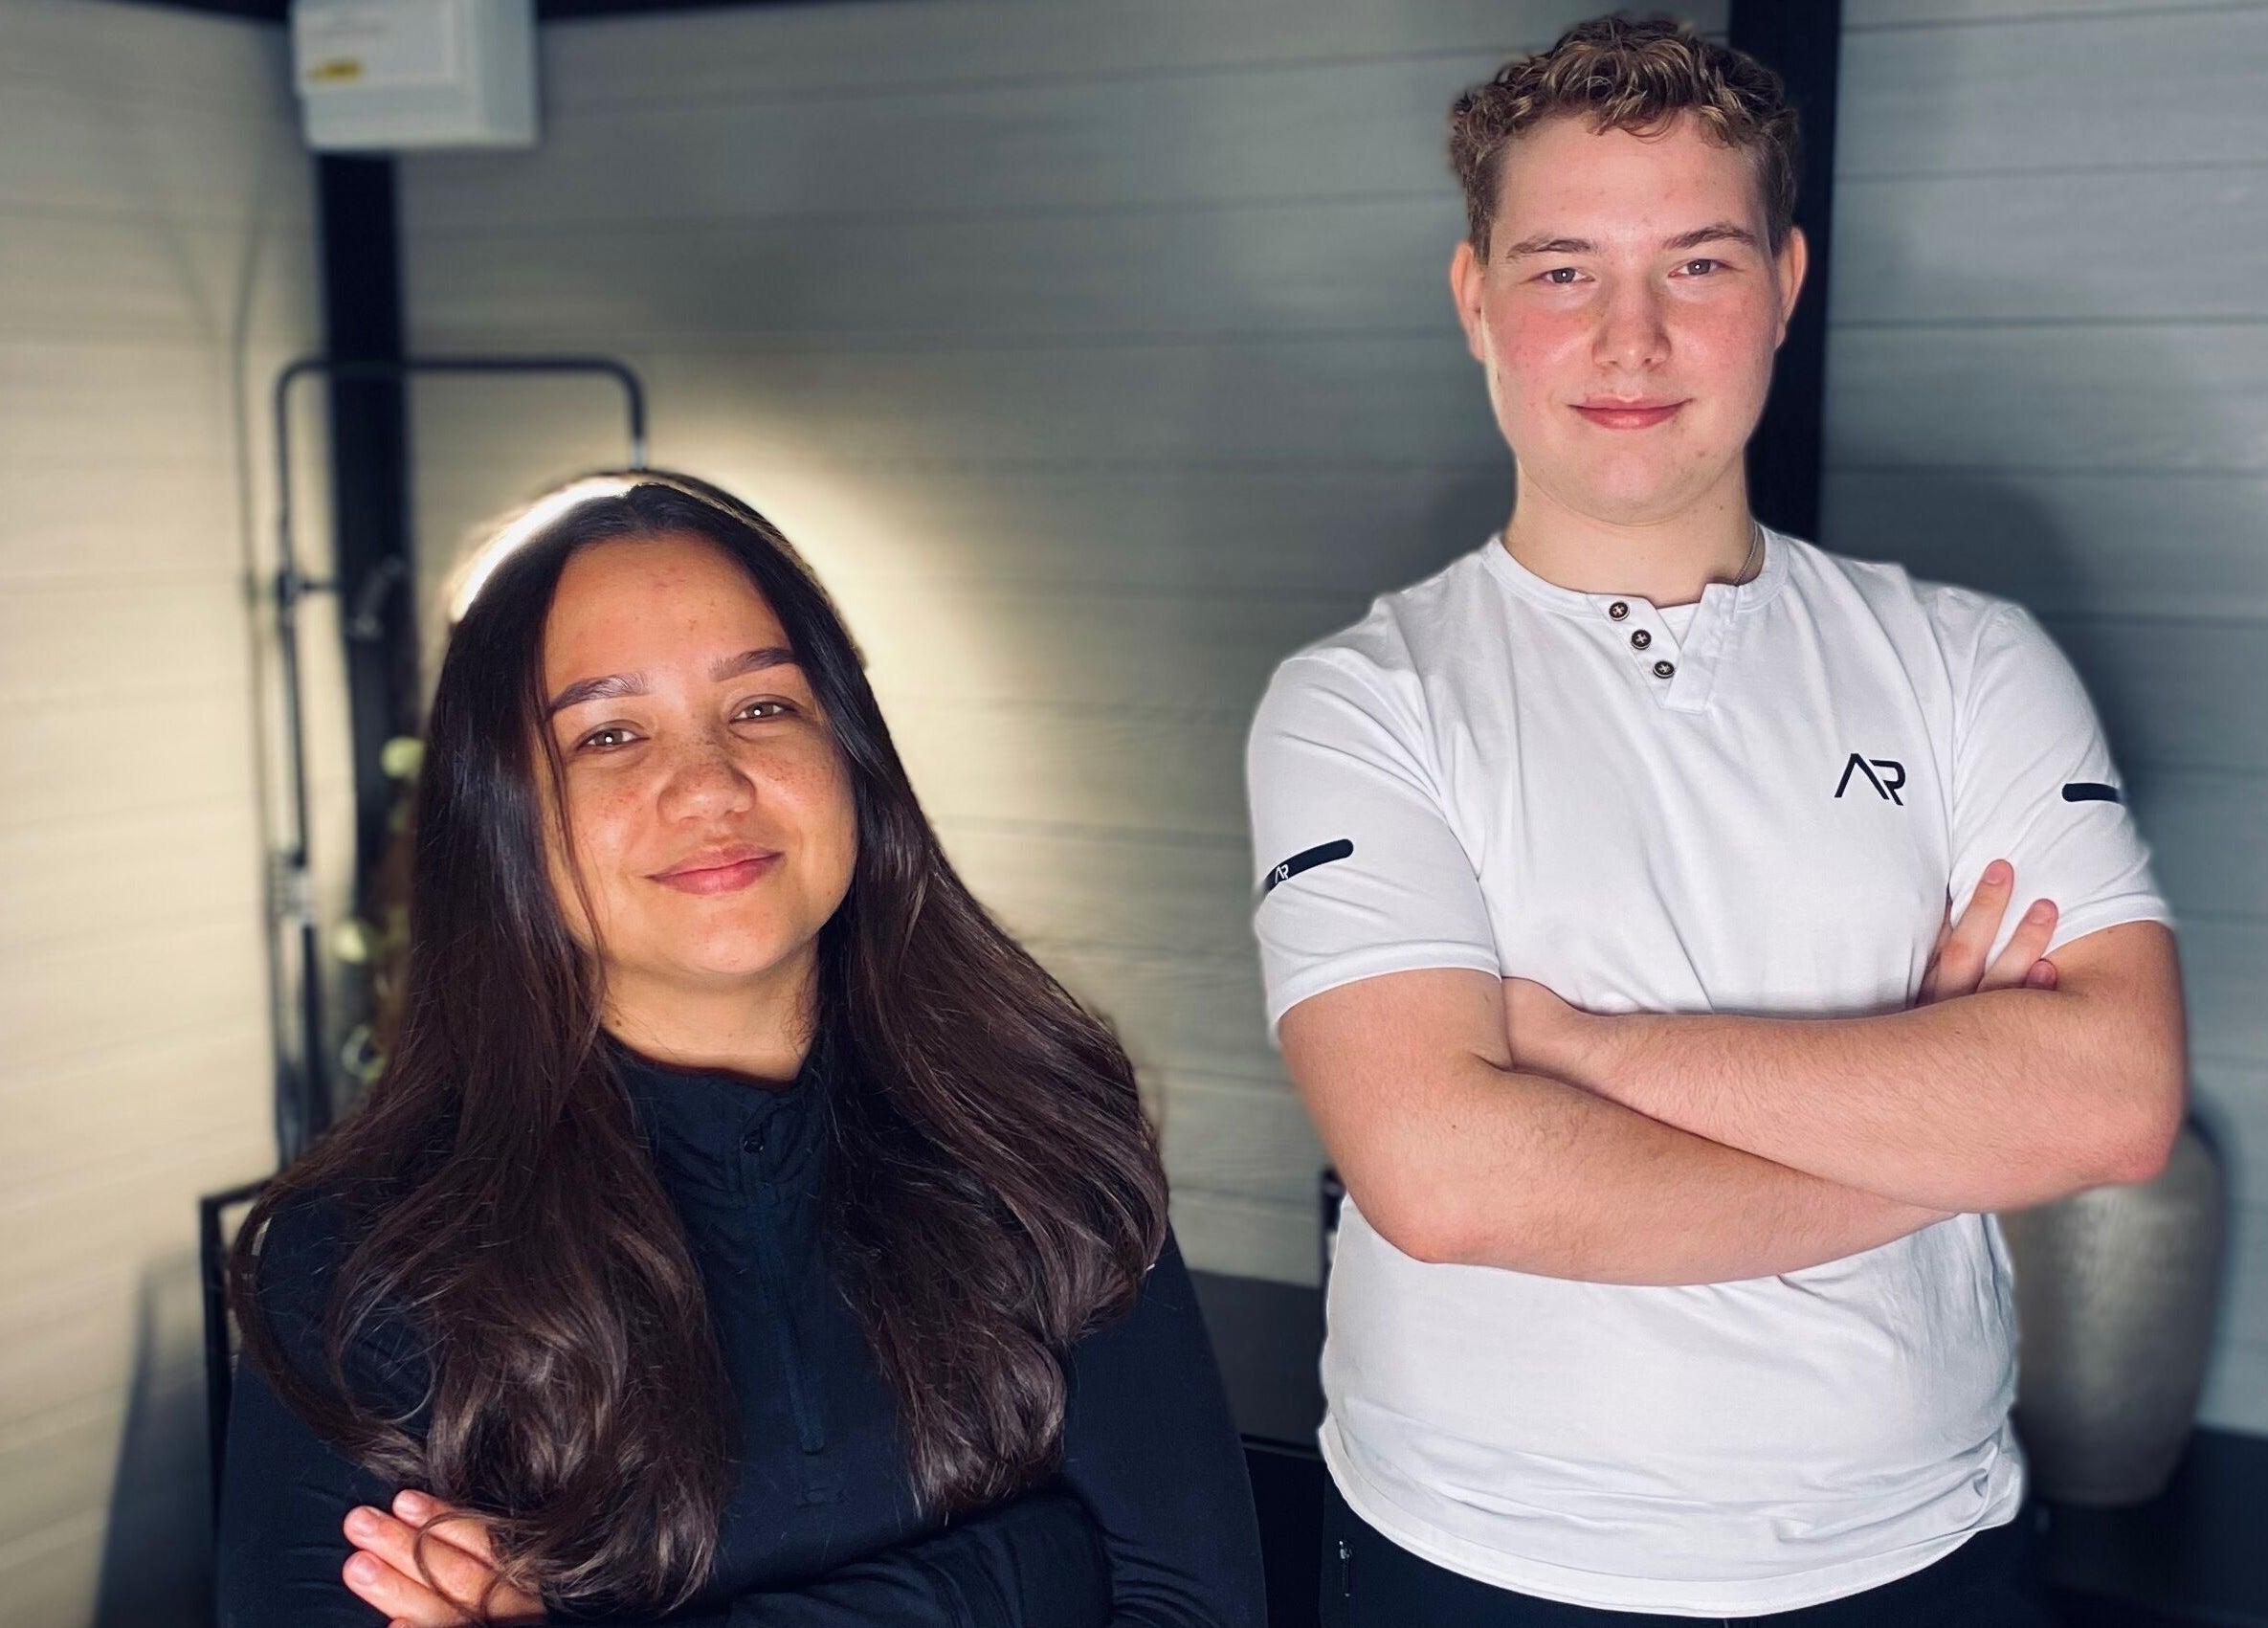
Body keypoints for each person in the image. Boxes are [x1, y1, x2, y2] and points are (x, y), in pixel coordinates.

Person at [1245, 16, 2187, 1626]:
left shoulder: (1969, 662)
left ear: (1786, 285)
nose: (1632, 341)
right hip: (1477, 1559)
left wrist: (1590, 1055)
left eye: (1696, 265)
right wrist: (1943, 1135)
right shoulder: (1359, 701)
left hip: (1923, 1554)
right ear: (1476, 300)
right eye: (1560, 271)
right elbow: (1448, 1179)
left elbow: (2106, 1100)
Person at [217, 472, 1266, 1627]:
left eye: (763, 708)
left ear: (850, 754)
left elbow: (1194, 1609)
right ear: (499, 814)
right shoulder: (355, 1262)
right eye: (609, 733)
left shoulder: (1042, 1136)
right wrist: (1030, 1572)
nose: (711, 786)